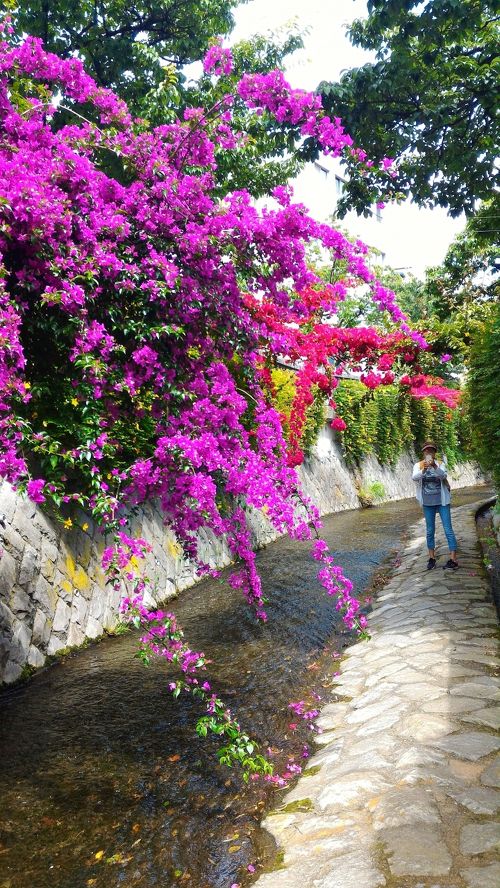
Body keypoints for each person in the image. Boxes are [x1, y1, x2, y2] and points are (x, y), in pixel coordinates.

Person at [412, 441, 459, 571]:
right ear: (423, 452)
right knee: (429, 530)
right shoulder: (418, 465)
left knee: (448, 529)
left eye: (431, 450)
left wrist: (434, 466)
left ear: (434, 452)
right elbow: (414, 477)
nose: (429, 452)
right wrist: (425, 469)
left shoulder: (440, 464)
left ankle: (453, 559)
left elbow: (443, 475)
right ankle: (432, 558)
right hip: (427, 503)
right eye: (426, 450)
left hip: (442, 501)